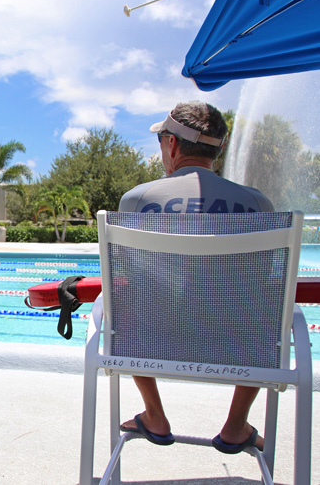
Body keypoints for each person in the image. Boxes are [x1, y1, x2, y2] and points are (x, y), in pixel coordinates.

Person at [117, 101, 272, 454]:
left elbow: (128, 273)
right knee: (271, 300)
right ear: (217, 149)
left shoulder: (136, 199)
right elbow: (263, 277)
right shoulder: (257, 203)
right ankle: (235, 426)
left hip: (152, 338)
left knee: (119, 295)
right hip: (239, 343)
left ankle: (155, 415)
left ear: (171, 145)